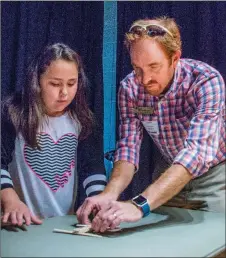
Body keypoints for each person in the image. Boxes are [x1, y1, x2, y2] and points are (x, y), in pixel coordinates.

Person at [76, 16, 225, 232]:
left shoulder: (206, 81)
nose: (145, 79)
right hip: (167, 170)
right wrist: (110, 193)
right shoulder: (130, 88)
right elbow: (128, 148)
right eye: (137, 68)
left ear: (175, 59)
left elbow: (197, 152)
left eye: (154, 67)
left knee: (216, 239)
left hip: (214, 176)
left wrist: (140, 205)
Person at [1, 43, 107, 227]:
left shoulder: (82, 119)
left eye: (72, 83)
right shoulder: (12, 113)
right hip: (19, 224)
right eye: (55, 84)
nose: (64, 93)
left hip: (64, 223)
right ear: (37, 82)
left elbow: (92, 168)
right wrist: (10, 199)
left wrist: (98, 202)